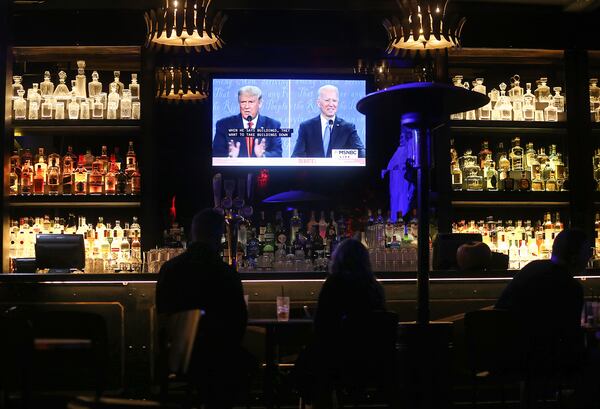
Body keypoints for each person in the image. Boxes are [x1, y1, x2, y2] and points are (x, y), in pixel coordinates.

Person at [156, 208, 251, 408]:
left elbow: (162, 314)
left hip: (176, 355)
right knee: (244, 362)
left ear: (192, 233)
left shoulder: (170, 269)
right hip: (219, 357)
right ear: (219, 237)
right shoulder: (225, 273)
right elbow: (239, 321)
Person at [495, 229, 598, 407]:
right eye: (586, 253)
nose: (588, 258)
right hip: (538, 356)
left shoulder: (531, 268)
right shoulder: (570, 286)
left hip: (503, 352)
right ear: (574, 258)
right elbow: (569, 336)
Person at [294, 239, 387, 407]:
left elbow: (322, 327)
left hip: (338, 361)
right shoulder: (375, 288)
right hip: (372, 361)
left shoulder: (334, 285)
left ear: (338, 259)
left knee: (308, 360)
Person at [292, 84, 365, 158]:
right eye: (327, 100)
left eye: (334, 101)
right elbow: (296, 156)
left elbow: (361, 153)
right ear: (318, 103)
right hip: (313, 169)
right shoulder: (306, 127)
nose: (331, 104)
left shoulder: (348, 128)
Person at [212, 85, 282, 158]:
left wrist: (262, 155)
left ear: (260, 103)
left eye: (251, 102)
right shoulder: (224, 124)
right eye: (243, 102)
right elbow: (216, 153)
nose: (246, 106)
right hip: (234, 169)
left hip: (261, 169)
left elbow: (277, 153)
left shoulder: (273, 125)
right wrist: (230, 157)